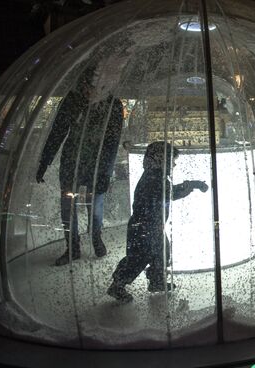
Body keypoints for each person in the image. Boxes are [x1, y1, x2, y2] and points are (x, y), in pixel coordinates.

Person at [36, 66, 124, 266]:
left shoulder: (113, 106)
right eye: (86, 85)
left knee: (95, 204)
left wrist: (105, 172)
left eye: (93, 86)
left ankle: (95, 237)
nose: (88, 91)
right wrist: (45, 161)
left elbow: (112, 142)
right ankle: (72, 248)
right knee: (68, 204)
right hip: (71, 160)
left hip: (97, 164)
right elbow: (57, 132)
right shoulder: (72, 101)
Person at [107, 142, 208, 303]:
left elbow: (167, 194)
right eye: (172, 160)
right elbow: (170, 193)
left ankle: (156, 281)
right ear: (162, 160)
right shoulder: (154, 178)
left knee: (162, 252)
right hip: (143, 228)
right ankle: (117, 285)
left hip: (150, 226)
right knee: (138, 258)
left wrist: (190, 185)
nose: (174, 164)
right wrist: (192, 185)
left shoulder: (154, 175)